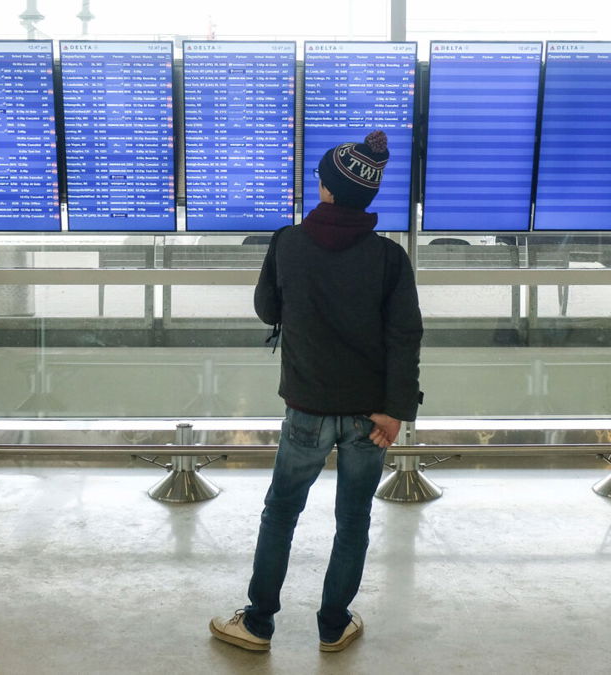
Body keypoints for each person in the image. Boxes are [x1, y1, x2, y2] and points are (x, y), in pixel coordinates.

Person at [209, 130, 423, 653]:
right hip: (370, 418)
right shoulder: (389, 259)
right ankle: (333, 625)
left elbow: (267, 310)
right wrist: (396, 412)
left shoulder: (288, 243)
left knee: (281, 512)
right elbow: (405, 336)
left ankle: (258, 623)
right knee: (353, 519)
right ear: (367, 199)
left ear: (327, 189)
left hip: (305, 408)